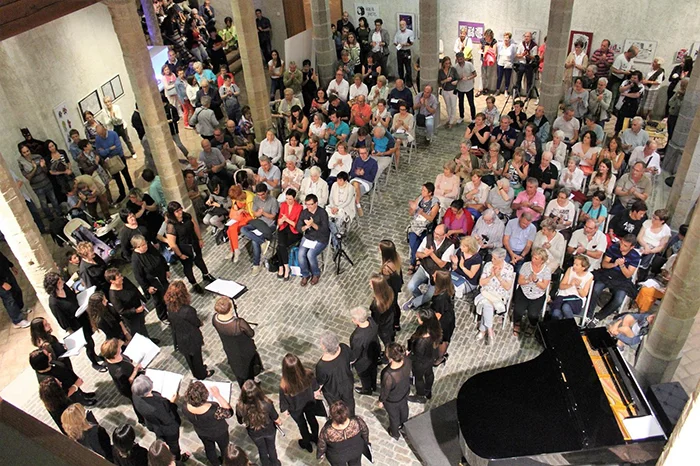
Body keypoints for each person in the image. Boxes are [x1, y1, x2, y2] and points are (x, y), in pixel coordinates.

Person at [44, 271, 105, 371]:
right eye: (59, 282)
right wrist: (70, 331)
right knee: (88, 343)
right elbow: (61, 319)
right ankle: (94, 363)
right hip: (75, 324)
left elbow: (74, 297)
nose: (62, 282)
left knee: (90, 339)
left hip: (82, 316)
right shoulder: (54, 303)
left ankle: (95, 356)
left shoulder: (65, 288)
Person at [132, 375, 189, 462]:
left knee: (161, 438)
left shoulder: (135, 396)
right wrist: (172, 403)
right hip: (167, 429)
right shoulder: (156, 407)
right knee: (173, 445)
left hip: (153, 425)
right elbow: (168, 419)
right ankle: (177, 459)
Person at [164, 281, 214, 379]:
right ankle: (201, 374)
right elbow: (196, 322)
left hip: (180, 338)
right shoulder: (188, 310)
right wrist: (200, 322)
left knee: (189, 358)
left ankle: (195, 372)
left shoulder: (170, 307)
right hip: (191, 338)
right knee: (197, 358)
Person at [588, 234, 641, 324]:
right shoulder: (614, 248)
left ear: (632, 247)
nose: (622, 246)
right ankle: (588, 314)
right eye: (621, 243)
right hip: (608, 274)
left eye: (625, 246)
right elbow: (604, 264)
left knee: (618, 300)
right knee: (595, 289)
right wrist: (614, 264)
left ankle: (598, 317)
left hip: (622, 279)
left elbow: (628, 275)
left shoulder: (635, 256)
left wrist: (621, 265)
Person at [166, 201, 214, 293]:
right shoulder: (171, 225)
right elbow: (172, 243)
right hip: (184, 248)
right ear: (172, 213)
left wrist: (200, 239)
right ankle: (194, 283)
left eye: (180, 209)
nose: (180, 212)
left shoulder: (187, 216)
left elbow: (195, 227)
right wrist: (180, 255)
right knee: (188, 266)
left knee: (199, 259)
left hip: (194, 242)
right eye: (177, 211)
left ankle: (206, 275)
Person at [212, 296, 260, 387]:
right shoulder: (239, 323)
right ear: (230, 309)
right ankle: (250, 387)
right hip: (244, 351)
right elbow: (251, 333)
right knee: (248, 370)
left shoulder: (215, 319)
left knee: (238, 369)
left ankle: (242, 386)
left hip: (230, 349)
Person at [183, 381, 234, 466]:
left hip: (202, 432)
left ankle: (215, 463)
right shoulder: (213, 409)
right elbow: (229, 412)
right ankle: (225, 461)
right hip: (219, 433)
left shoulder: (185, 407)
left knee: (209, 448)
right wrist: (218, 395)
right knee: (224, 448)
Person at [279, 353, 321, 453]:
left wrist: (285, 409)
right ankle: (316, 438)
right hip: (309, 402)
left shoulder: (284, 385)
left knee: (302, 425)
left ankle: (306, 443)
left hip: (295, 408)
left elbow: (283, 401)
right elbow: (315, 387)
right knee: (312, 419)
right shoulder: (308, 374)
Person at [236, 380, 282, 466]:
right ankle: (275, 463)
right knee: (271, 447)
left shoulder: (240, 406)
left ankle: (265, 464)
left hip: (254, 432)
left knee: (262, 449)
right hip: (269, 430)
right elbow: (276, 418)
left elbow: (240, 421)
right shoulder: (267, 404)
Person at [106, 268, 159, 343]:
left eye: (121, 275)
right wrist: (135, 310)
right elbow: (121, 311)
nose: (122, 278)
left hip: (139, 307)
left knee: (142, 326)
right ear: (112, 281)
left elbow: (134, 289)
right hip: (131, 316)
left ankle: (148, 339)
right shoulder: (113, 296)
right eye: (119, 278)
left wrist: (142, 299)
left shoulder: (125, 280)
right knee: (138, 331)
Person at [475, 248, 514, 343]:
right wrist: (491, 276)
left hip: (499, 295)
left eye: (495, 258)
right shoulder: (488, 265)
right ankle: (490, 331)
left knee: (487, 305)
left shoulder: (509, 268)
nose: (492, 260)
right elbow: (481, 283)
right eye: (492, 257)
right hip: (486, 292)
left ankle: (483, 330)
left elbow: (508, 287)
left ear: (502, 258)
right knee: (488, 304)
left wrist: (498, 276)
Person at [101, 338, 145, 424]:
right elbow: (128, 382)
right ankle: (142, 419)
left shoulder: (115, 357)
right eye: (118, 348)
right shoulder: (118, 371)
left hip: (133, 376)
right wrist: (135, 370)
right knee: (136, 401)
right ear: (114, 354)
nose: (119, 347)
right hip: (129, 388)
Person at [317, 400, 369, 466]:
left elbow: (322, 444)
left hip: (337, 457)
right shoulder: (357, 421)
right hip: (356, 450)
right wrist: (366, 442)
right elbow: (365, 432)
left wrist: (320, 454)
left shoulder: (327, 430)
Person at [376, 342, 411, 441]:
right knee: (404, 410)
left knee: (394, 417)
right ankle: (404, 427)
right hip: (404, 393)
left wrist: (381, 401)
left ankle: (395, 433)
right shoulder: (407, 361)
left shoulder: (388, 374)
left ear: (390, 358)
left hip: (392, 400)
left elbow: (385, 391)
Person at [131, 235, 170, 323]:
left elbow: (160, 257)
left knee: (168, 291)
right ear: (136, 247)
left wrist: (166, 269)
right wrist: (147, 288)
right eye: (142, 245)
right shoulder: (136, 260)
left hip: (161, 276)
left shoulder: (149, 248)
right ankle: (163, 316)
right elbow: (139, 277)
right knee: (159, 300)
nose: (145, 246)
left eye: (145, 243)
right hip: (153, 282)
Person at [513, 248, 552, 334]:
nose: (533, 260)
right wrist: (528, 280)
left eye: (536, 259)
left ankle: (532, 325)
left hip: (538, 295)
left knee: (533, 314)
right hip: (524, 291)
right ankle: (517, 323)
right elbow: (520, 281)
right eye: (533, 257)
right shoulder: (526, 265)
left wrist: (536, 281)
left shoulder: (546, 270)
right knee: (518, 310)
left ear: (542, 260)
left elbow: (544, 286)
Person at [18, 143, 61, 220]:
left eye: (27, 151)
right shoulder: (22, 163)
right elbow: (28, 177)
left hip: (46, 182)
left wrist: (43, 166)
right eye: (24, 152)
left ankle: (60, 214)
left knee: (54, 199)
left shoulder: (37, 156)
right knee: (44, 204)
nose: (27, 153)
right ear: (21, 153)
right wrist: (34, 168)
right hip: (37, 187)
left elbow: (46, 171)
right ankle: (51, 218)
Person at [316, 331, 355, 416]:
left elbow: (321, 383)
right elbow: (352, 361)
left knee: (336, 409)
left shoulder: (321, 366)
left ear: (324, 347)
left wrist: (316, 391)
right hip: (347, 384)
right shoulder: (344, 347)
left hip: (332, 391)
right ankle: (351, 418)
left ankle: (339, 420)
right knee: (349, 403)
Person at [406, 308, 441, 402]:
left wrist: (408, 355)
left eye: (418, 317)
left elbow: (418, 356)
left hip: (421, 363)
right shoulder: (434, 327)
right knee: (429, 373)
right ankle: (428, 390)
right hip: (430, 358)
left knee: (419, 378)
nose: (416, 317)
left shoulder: (421, 341)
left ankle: (420, 396)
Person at [296, 194, 330, 286]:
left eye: (311, 204)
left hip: (320, 238)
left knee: (310, 254)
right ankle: (305, 274)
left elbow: (325, 230)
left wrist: (313, 224)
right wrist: (305, 227)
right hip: (309, 237)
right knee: (300, 254)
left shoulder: (322, 213)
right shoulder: (304, 212)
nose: (309, 207)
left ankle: (316, 273)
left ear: (316, 203)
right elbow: (298, 227)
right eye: (307, 204)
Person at [95, 124, 134, 203]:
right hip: (110, 160)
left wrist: (105, 150)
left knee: (126, 174)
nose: (101, 136)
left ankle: (132, 189)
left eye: (102, 134)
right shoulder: (98, 138)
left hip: (119, 157)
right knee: (117, 178)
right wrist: (110, 149)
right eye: (99, 134)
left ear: (105, 129)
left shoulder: (113, 134)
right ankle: (122, 193)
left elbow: (118, 148)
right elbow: (100, 152)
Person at [550, 255, 594, 320]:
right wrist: (571, 284)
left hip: (576, 299)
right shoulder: (570, 270)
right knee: (556, 313)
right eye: (574, 264)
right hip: (563, 295)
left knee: (566, 307)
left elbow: (583, 294)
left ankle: (571, 325)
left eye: (577, 265)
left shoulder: (589, 276)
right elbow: (561, 286)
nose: (574, 266)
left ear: (583, 267)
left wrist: (578, 286)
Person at [349, 306, 380, 396]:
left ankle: (367, 389)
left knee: (364, 377)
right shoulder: (372, 321)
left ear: (356, 320)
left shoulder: (358, 337)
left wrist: (351, 361)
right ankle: (373, 385)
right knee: (373, 371)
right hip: (374, 354)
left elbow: (356, 353)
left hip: (364, 361)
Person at [636, 209, 672, 278]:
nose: (652, 219)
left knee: (648, 258)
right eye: (653, 217)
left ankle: (641, 273)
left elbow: (661, 247)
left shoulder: (666, 230)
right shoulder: (647, 222)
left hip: (653, 249)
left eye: (655, 219)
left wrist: (649, 251)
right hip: (641, 243)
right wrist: (645, 246)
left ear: (662, 221)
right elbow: (639, 237)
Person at [0, 251, 30, 328]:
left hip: (6, 273)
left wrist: (11, 265)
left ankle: (20, 309)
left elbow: (2, 257)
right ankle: (17, 320)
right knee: (9, 299)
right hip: (1, 282)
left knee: (17, 291)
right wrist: (2, 283)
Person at [609, 46, 639, 110]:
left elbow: (631, 67)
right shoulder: (620, 58)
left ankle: (616, 109)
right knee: (613, 96)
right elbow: (613, 69)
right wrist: (624, 72)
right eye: (634, 55)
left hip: (624, 80)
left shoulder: (631, 60)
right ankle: (610, 110)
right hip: (616, 79)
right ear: (630, 53)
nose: (634, 57)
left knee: (619, 96)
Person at [453, 52, 477, 124]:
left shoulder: (469, 64)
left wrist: (468, 78)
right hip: (460, 87)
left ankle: (473, 118)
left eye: (461, 59)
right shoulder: (455, 67)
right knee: (460, 103)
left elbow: (475, 74)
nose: (460, 61)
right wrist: (458, 79)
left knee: (471, 103)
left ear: (463, 58)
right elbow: (455, 77)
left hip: (469, 87)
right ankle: (461, 117)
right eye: (458, 59)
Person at [514, 31, 537, 97]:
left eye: (528, 36)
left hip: (529, 65)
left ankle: (528, 95)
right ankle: (517, 93)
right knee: (518, 79)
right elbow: (517, 55)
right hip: (522, 64)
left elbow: (535, 57)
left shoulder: (534, 46)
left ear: (531, 37)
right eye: (525, 36)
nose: (526, 38)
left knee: (529, 81)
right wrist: (522, 55)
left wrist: (528, 55)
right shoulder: (521, 44)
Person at [394, 19, 415, 87]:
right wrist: (399, 44)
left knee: (408, 67)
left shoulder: (410, 32)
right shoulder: (398, 33)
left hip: (407, 51)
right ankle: (401, 81)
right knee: (400, 67)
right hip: (400, 51)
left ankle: (409, 82)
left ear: (406, 25)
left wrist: (404, 44)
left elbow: (411, 42)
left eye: (403, 24)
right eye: (400, 25)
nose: (402, 26)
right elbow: (395, 42)